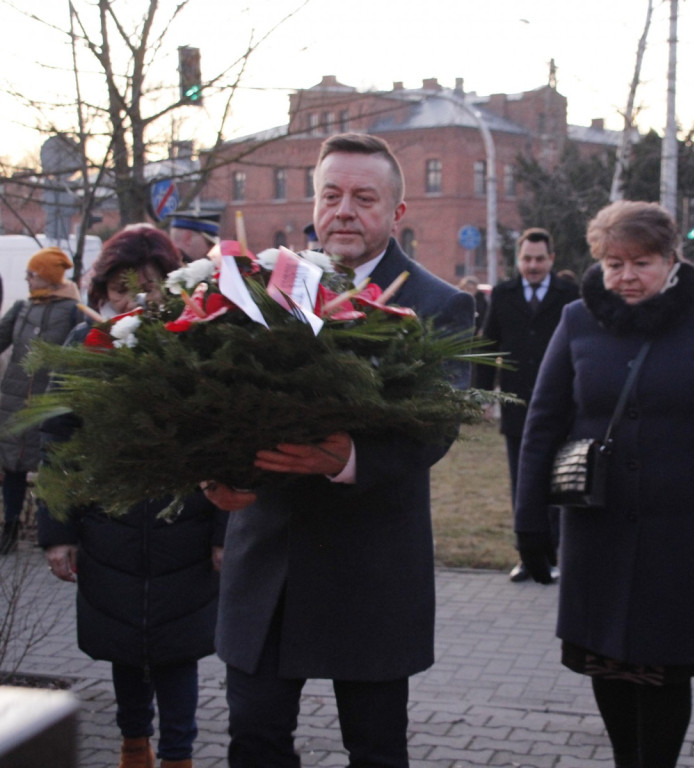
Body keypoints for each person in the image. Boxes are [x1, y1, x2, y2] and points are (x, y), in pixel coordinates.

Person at [204, 133, 475, 768]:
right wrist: (212, 475)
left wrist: (346, 456)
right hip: (270, 559)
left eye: (364, 197)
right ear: (315, 201)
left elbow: (438, 422)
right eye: (332, 195)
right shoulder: (258, 290)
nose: (345, 211)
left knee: (376, 749)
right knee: (254, 739)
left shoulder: (439, 304)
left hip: (371, 564)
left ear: (397, 213)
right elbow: (211, 401)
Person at [515, 200, 694, 768]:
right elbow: (543, 423)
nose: (626, 276)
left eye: (642, 263)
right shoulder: (577, 320)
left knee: (664, 669)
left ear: (672, 260)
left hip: (682, 534)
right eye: (613, 263)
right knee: (606, 659)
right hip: (596, 528)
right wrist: (530, 520)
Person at [37, 225, 226, 768]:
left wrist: (221, 533)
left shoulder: (199, 342)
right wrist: (59, 532)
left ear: (172, 284)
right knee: (124, 647)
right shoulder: (84, 347)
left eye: (149, 285)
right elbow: (58, 442)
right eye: (122, 288)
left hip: (183, 528)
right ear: (102, 292)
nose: (137, 299)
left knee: (178, 652)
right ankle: (132, 745)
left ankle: (179, 755)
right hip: (108, 530)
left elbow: (225, 446)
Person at [475, 228, 577, 582]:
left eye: (539, 259)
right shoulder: (503, 295)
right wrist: (484, 396)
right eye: (526, 259)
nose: (532, 266)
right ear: (518, 260)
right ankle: (527, 557)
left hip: (563, 407)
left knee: (560, 482)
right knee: (523, 483)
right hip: (518, 408)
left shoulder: (570, 296)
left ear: (551, 259)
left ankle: (556, 555)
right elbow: (487, 347)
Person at [0, 247, 84, 555]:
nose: (27, 280)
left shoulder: (74, 311)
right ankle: (10, 526)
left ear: (47, 277)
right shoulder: (23, 308)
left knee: (50, 465)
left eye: (32, 275)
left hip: (50, 403)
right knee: (13, 467)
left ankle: (51, 529)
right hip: (13, 400)